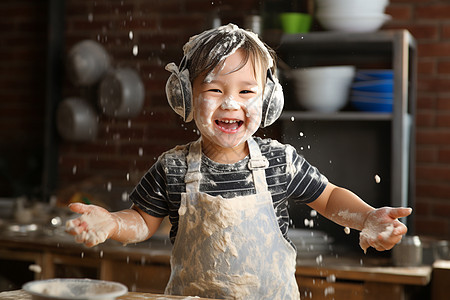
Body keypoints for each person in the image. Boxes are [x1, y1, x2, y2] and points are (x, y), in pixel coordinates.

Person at [66, 24, 412, 299]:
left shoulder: (280, 161)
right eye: (215, 90)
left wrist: (367, 216)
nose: (231, 104)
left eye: (246, 91)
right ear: (185, 96)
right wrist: (111, 222)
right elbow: (142, 221)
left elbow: (330, 197)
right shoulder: (173, 167)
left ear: (268, 100)